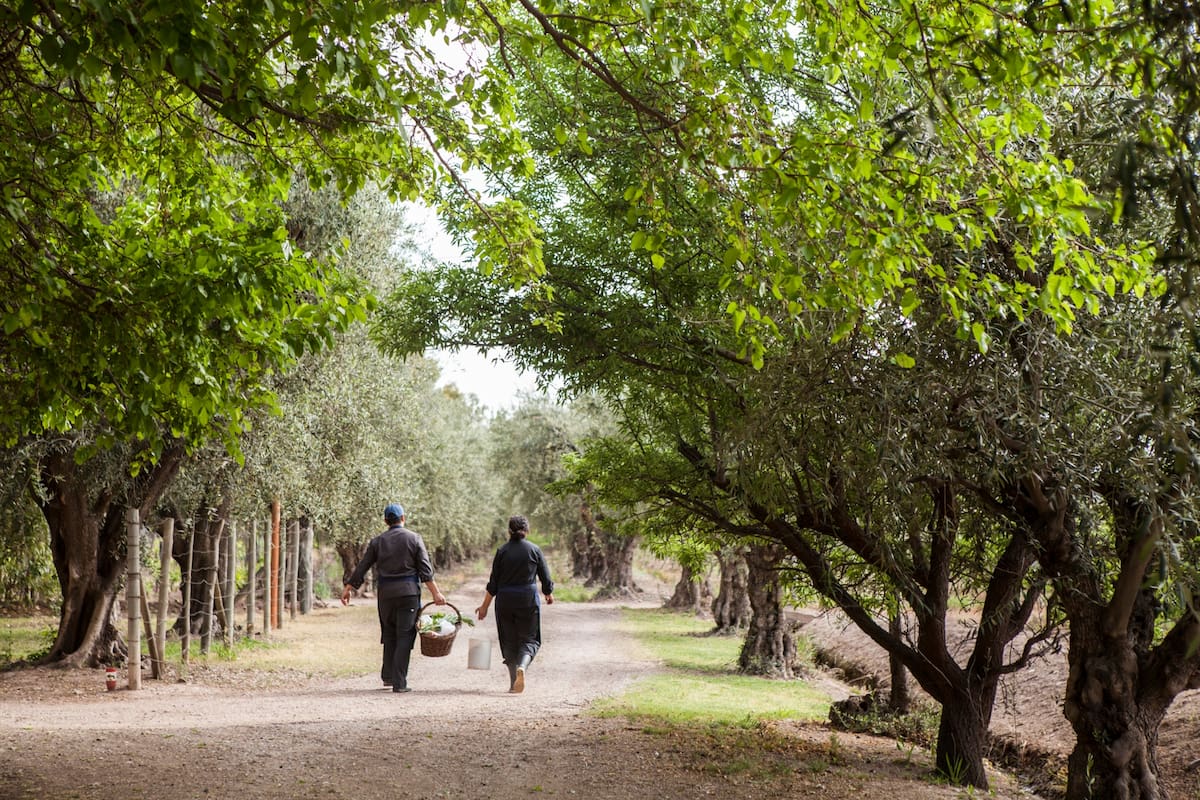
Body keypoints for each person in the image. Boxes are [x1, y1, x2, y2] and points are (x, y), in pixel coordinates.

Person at [341, 503, 445, 693]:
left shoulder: (377, 541)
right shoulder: (414, 538)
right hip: (408, 594)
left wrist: (349, 587)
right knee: (405, 635)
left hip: (386, 594)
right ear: (403, 518)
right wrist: (436, 592)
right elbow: (425, 570)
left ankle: (388, 676)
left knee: (389, 633)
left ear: (385, 521)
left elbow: (363, 565)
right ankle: (399, 682)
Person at [475, 514, 554, 693]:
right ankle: (523, 667)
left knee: (509, 641)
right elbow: (545, 577)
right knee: (530, 639)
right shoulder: (534, 550)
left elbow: (493, 584)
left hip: (505, 601)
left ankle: (513, 683)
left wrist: (484, 607)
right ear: (527, 530)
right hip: (527, 599)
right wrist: (548, 593)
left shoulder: (502, 551)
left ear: (509, 531)